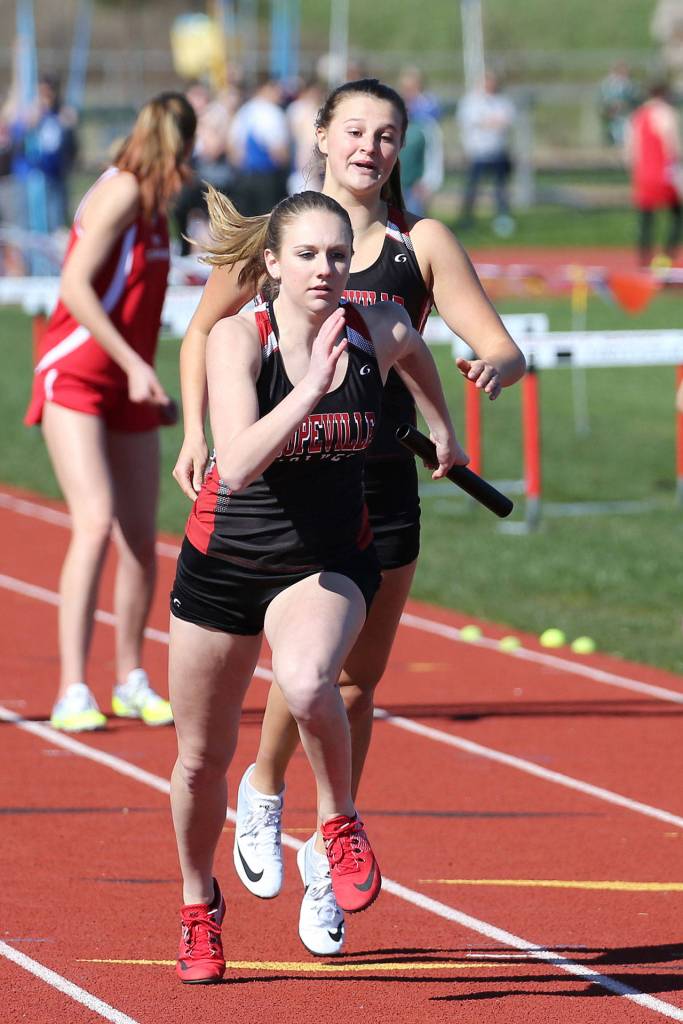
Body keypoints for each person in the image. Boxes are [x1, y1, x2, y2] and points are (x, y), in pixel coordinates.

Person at [172, 78, 525, 958]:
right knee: (295, 686)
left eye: (389, 134)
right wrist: (195, 433)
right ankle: (261, 789)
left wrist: (471, 391)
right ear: (322, 135)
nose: (371, 146)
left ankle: (328, 867)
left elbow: (481, 346)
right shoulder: (279, 236)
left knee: (344, 684)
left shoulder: (418, 247)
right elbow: (206, 334)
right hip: (273, 481)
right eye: (356, 129)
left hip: (374, 490)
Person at [24, 92, 197, 732]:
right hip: (76, 371)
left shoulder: (155, 208)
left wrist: (149, 378)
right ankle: (72, 686)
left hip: (129, 382)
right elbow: (72, 285)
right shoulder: (123, 192)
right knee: (94, 522)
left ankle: (130, 677)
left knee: (140, 539)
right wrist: (131, 362)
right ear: (178, 148)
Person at [625, 81, 682, 267]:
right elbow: (671, 145)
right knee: (677, 213)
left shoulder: (637, 117)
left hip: (643, 172)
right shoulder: (665, 113)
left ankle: (644, 257)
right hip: (662, 171)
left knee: (646, 217)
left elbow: (631, 150)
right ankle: (668, 253)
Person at [457, 71, 516, 236]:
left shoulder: (502, 101)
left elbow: (507, 120)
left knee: (500, 188)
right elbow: (470, 122)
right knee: (472, 188)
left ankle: (502, 219)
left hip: (497, 152)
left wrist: (491, 123)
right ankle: (467, 219)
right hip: (478, 153)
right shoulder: (471, 102)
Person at [229, 74, 290, 216]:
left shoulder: (244, 111)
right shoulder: (272, 112)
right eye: (276, 89)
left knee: (246, 223)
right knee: (268, 223)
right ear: (266, 88)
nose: (279, 93)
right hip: (267, 179)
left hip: (244, 178)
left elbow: (233, 147)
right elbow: (279, 151)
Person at [598, 62, 641, 148]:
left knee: (626, 138)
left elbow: (636, 100)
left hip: (627, 116)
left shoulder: (631, 85)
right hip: (612, 118)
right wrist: (609, 108)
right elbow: (602, 101)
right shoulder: (607, 84)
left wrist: (626, 104)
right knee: (613, 137)